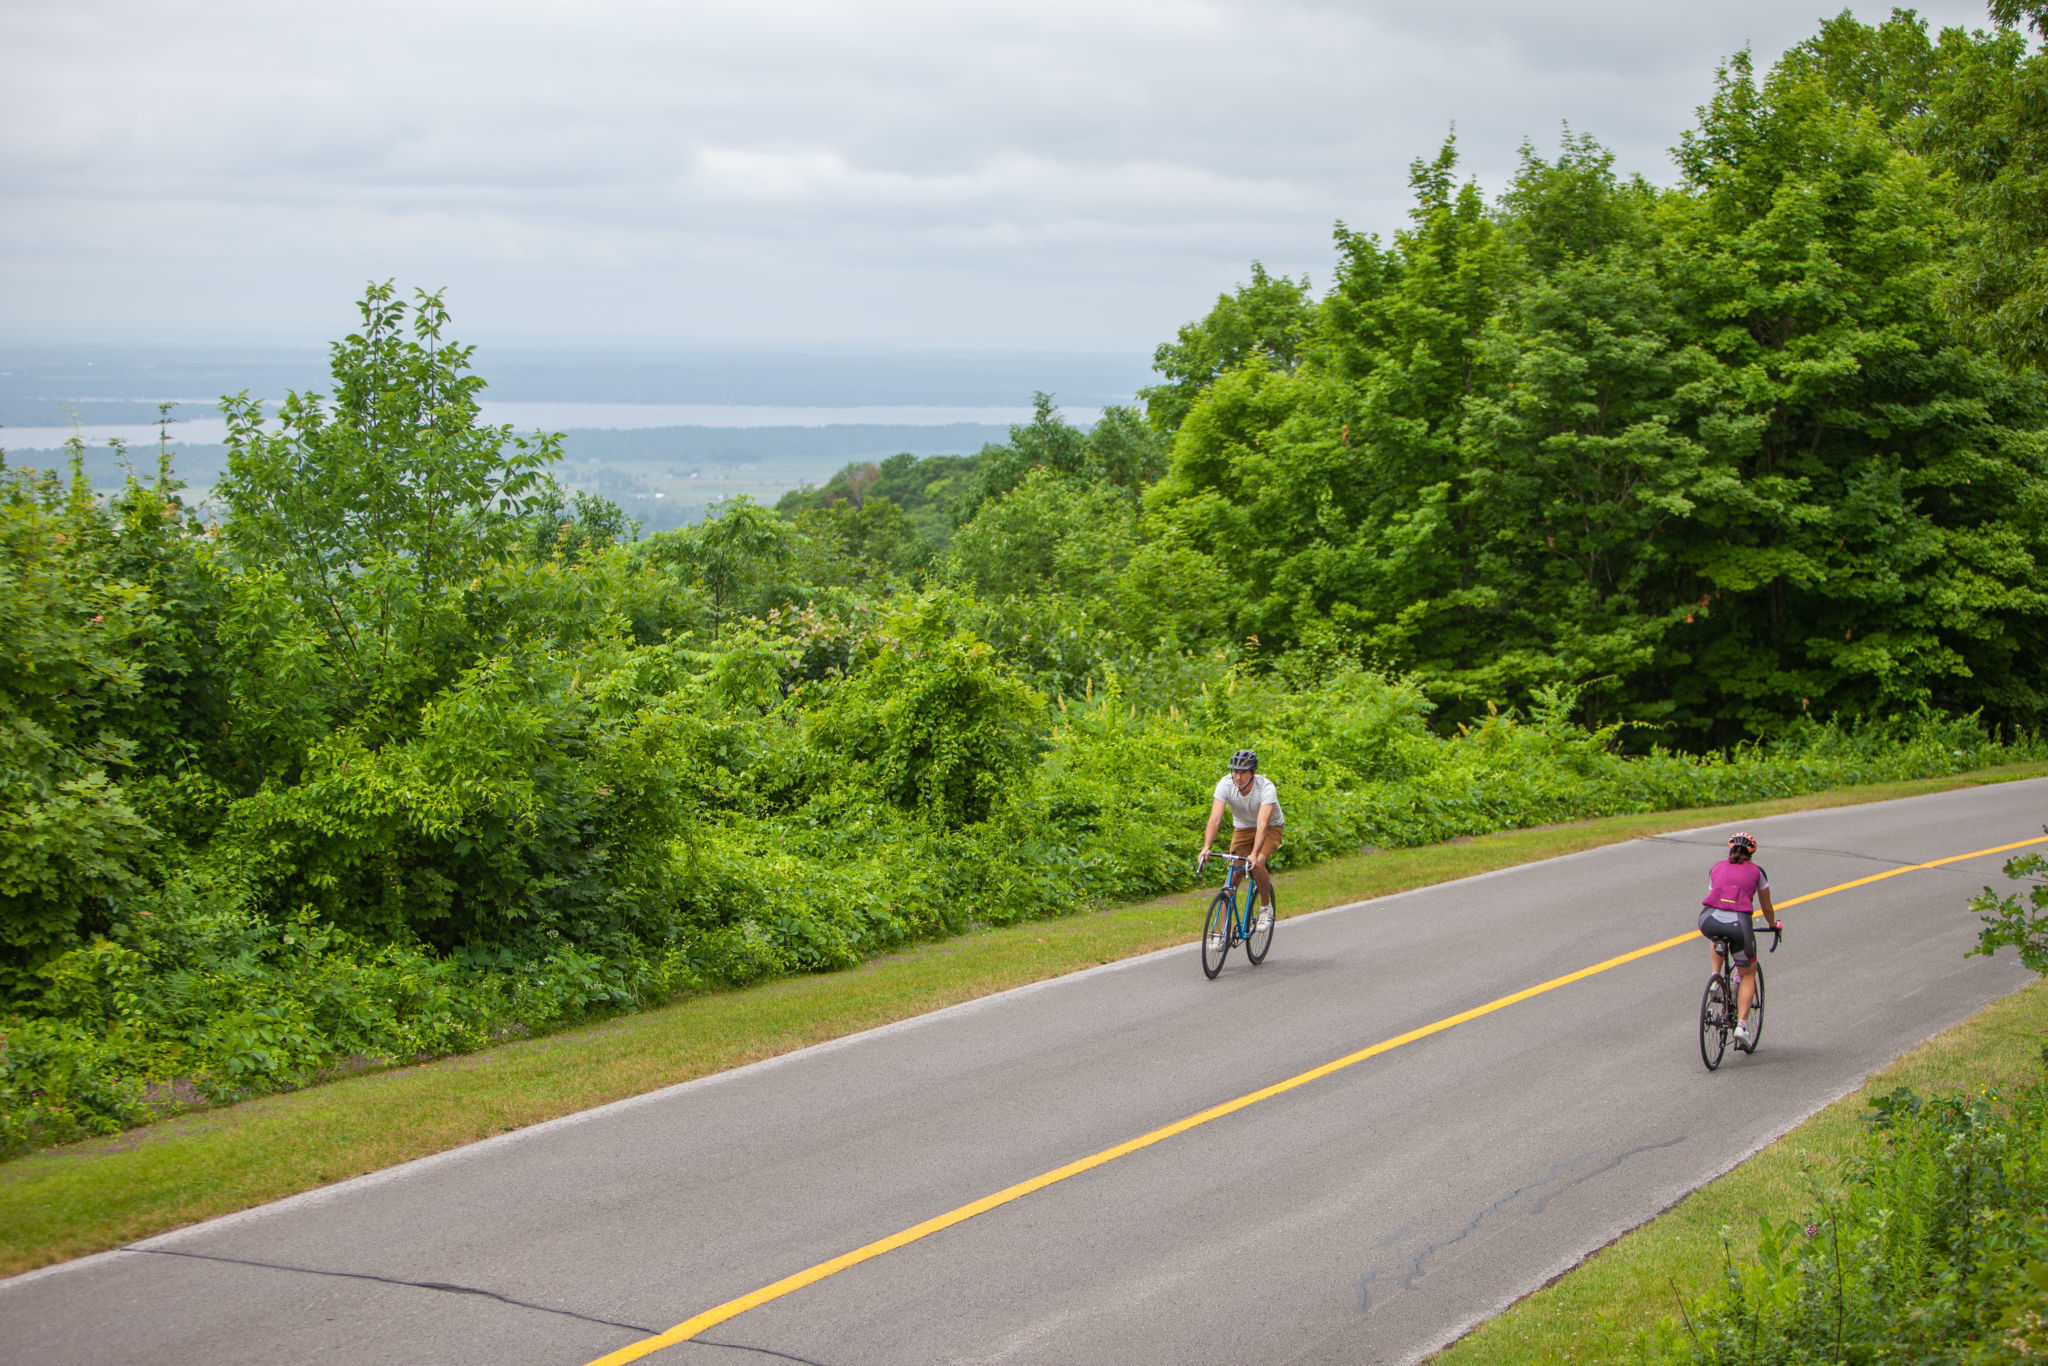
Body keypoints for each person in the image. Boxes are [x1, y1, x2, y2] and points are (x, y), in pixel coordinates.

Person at [1698, 831, 1780, 1050]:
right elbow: (1766, 907)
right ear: (1751, 853)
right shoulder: (1757, 872)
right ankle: (1741, 1027)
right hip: (1738, 923)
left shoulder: (1716, 867)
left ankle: (1716, 978)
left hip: (1708, 919)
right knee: (1748, 973)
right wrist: (1772, 925)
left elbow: (1716, 896)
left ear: (1730, 850)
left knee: (1717, 937)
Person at [1198, 749, 1284, 928]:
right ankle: (1221, 933)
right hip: (1243, 828)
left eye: (1243, 772)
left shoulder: (1266, 788)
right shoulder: (1225, 784)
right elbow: (1215, 819)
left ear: (1253, 772)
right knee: (1232, 876)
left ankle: (1266, 908)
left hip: (1270, 827)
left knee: (1257, 863)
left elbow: (1262, 824)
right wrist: (1206, 846)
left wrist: (1254, 854)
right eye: (1235, 771)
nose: (1238, 777)